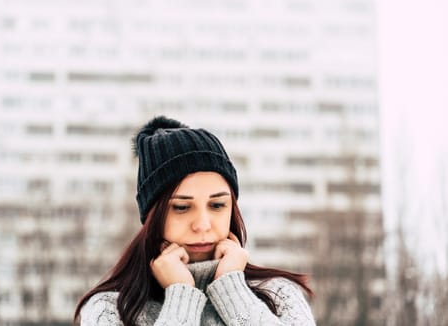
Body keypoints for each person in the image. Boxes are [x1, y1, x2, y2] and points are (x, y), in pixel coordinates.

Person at [74, 116, 316, 326]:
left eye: (217, 205)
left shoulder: (278, 294)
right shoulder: (110, 309)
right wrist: (181, 297)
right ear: (152, 216)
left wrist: (233, 292)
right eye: (181, 207)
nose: (202, 224)